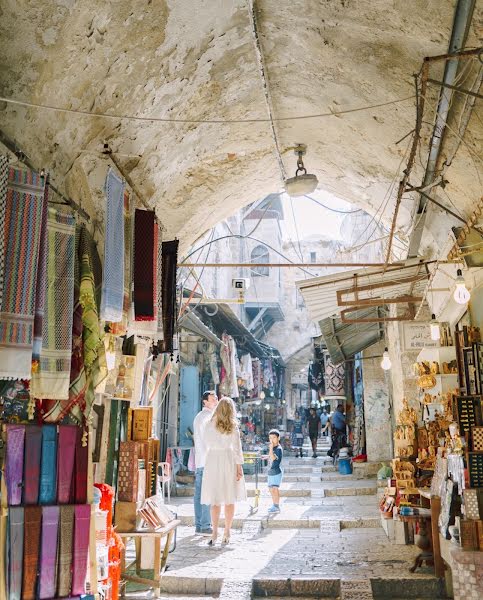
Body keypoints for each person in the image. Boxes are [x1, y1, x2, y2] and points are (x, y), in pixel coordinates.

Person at [201, 397, 246, 546]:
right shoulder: (233, 427)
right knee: (229, 497)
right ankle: (227, 531)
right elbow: (237, 448)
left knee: (215, 499)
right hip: (228, 460)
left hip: (213, 459)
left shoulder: (208, 425)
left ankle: (214, 532)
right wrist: (239, 467)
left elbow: (205, 443)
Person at [193, 390, 218, 536]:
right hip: (207, 459)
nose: (215, 401)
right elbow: (209, 440)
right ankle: (205, 525)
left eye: (216, 398)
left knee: (199, 494)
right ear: (205, 401)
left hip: (201, 460)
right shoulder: (207, 417)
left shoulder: (201, 416)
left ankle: (199, 524)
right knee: (206, 493)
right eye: (213, 399)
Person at [266, 429, 283, 514]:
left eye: (274, 437)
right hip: (271, 471)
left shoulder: (278, 448)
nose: (272, 439)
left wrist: (270, 449)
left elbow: (273, 458)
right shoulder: (274, 448)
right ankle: (274, 504)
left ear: (278, 438)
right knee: (270, 488)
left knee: (275, 488)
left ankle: (277, 505)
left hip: (276, 471)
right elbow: (271, 457)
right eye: (270, 438)